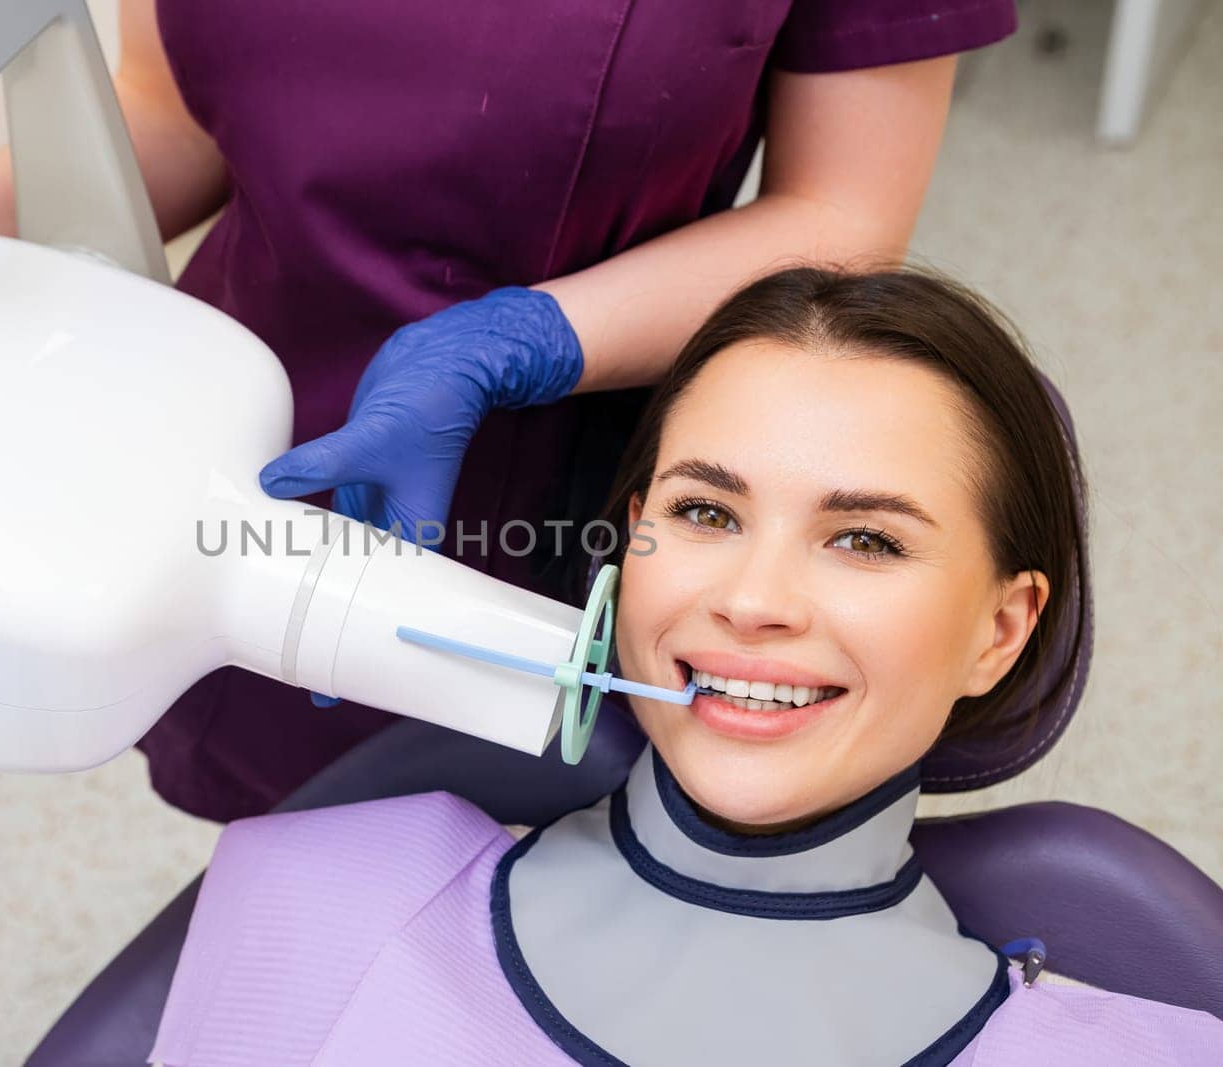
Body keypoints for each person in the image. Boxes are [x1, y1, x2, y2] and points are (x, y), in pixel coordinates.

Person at [0, 1, 1026, 822]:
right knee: (299, 837)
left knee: (555, 850)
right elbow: (175, 115)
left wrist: (524, 338)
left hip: (561, 445)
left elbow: (844, 219)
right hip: (254, 420)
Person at [146, 267, 1223, 1065]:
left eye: (866, 539)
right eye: (704, 511)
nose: (750, 601)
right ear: (627, 544)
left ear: (1001, 629)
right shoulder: (312, 894)